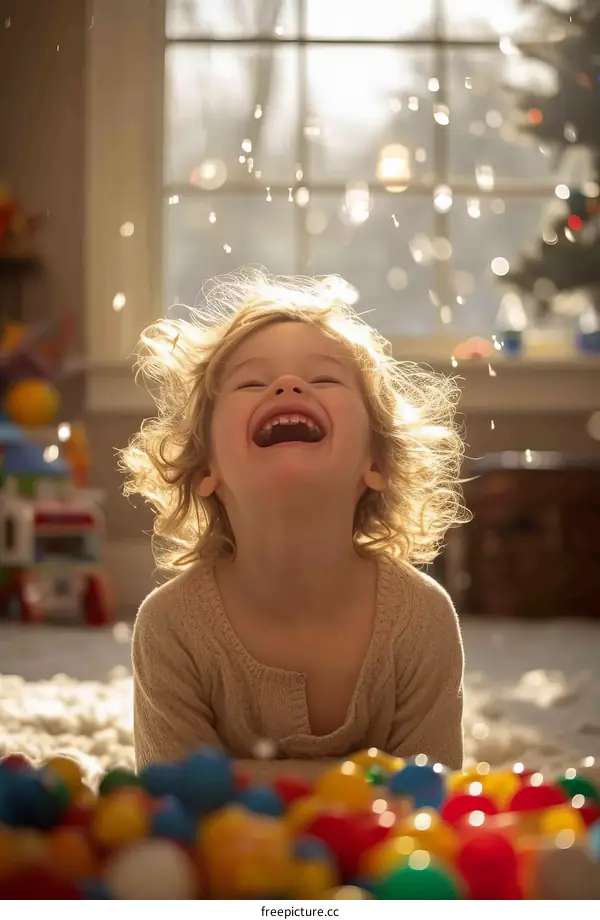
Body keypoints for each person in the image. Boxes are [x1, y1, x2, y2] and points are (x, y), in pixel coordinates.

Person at [120, 269, 470, 778]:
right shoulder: (170, 627)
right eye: (251, 382)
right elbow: (173, 799)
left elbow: (434, 797)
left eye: (324, 379)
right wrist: (353, 782)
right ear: (206, 469)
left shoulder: (422, 619)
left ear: (378, 463)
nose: (288, 385)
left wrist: (252, 781)